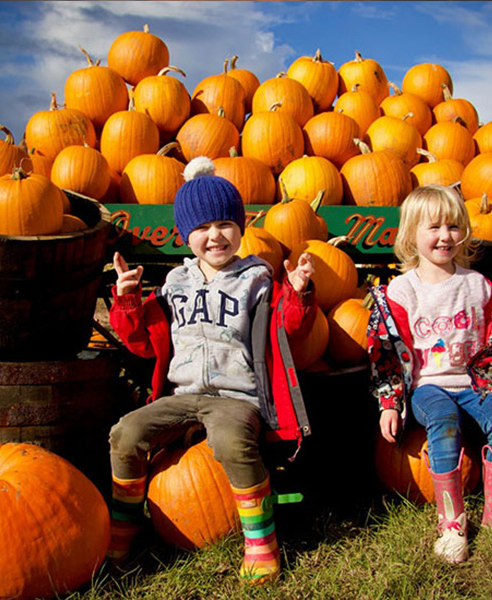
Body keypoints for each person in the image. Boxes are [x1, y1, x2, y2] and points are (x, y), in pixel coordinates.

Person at [106, 156, 317, 584]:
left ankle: (261, 542)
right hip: (181, 394)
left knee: (231, 443)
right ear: (187, 234)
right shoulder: (175, 285)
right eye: (201, 227)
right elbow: (143, 343)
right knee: (125, 434)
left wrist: (298, 294)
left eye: (224, 223)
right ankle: (123, 532)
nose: (214, 235)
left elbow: (286, 331)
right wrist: (128, 303)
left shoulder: (256, 279)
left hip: (235, 396)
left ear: (241, 227)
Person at [366, 185, 492, 565]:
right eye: (434, 228)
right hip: (428, 387)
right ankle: (452, 521)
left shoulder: (477, 286)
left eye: (454, 227)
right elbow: (386, 354)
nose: (445, 236)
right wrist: (389, 405)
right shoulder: (401, 292)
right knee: (444, 420)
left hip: (475, 382)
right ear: (411, 235)